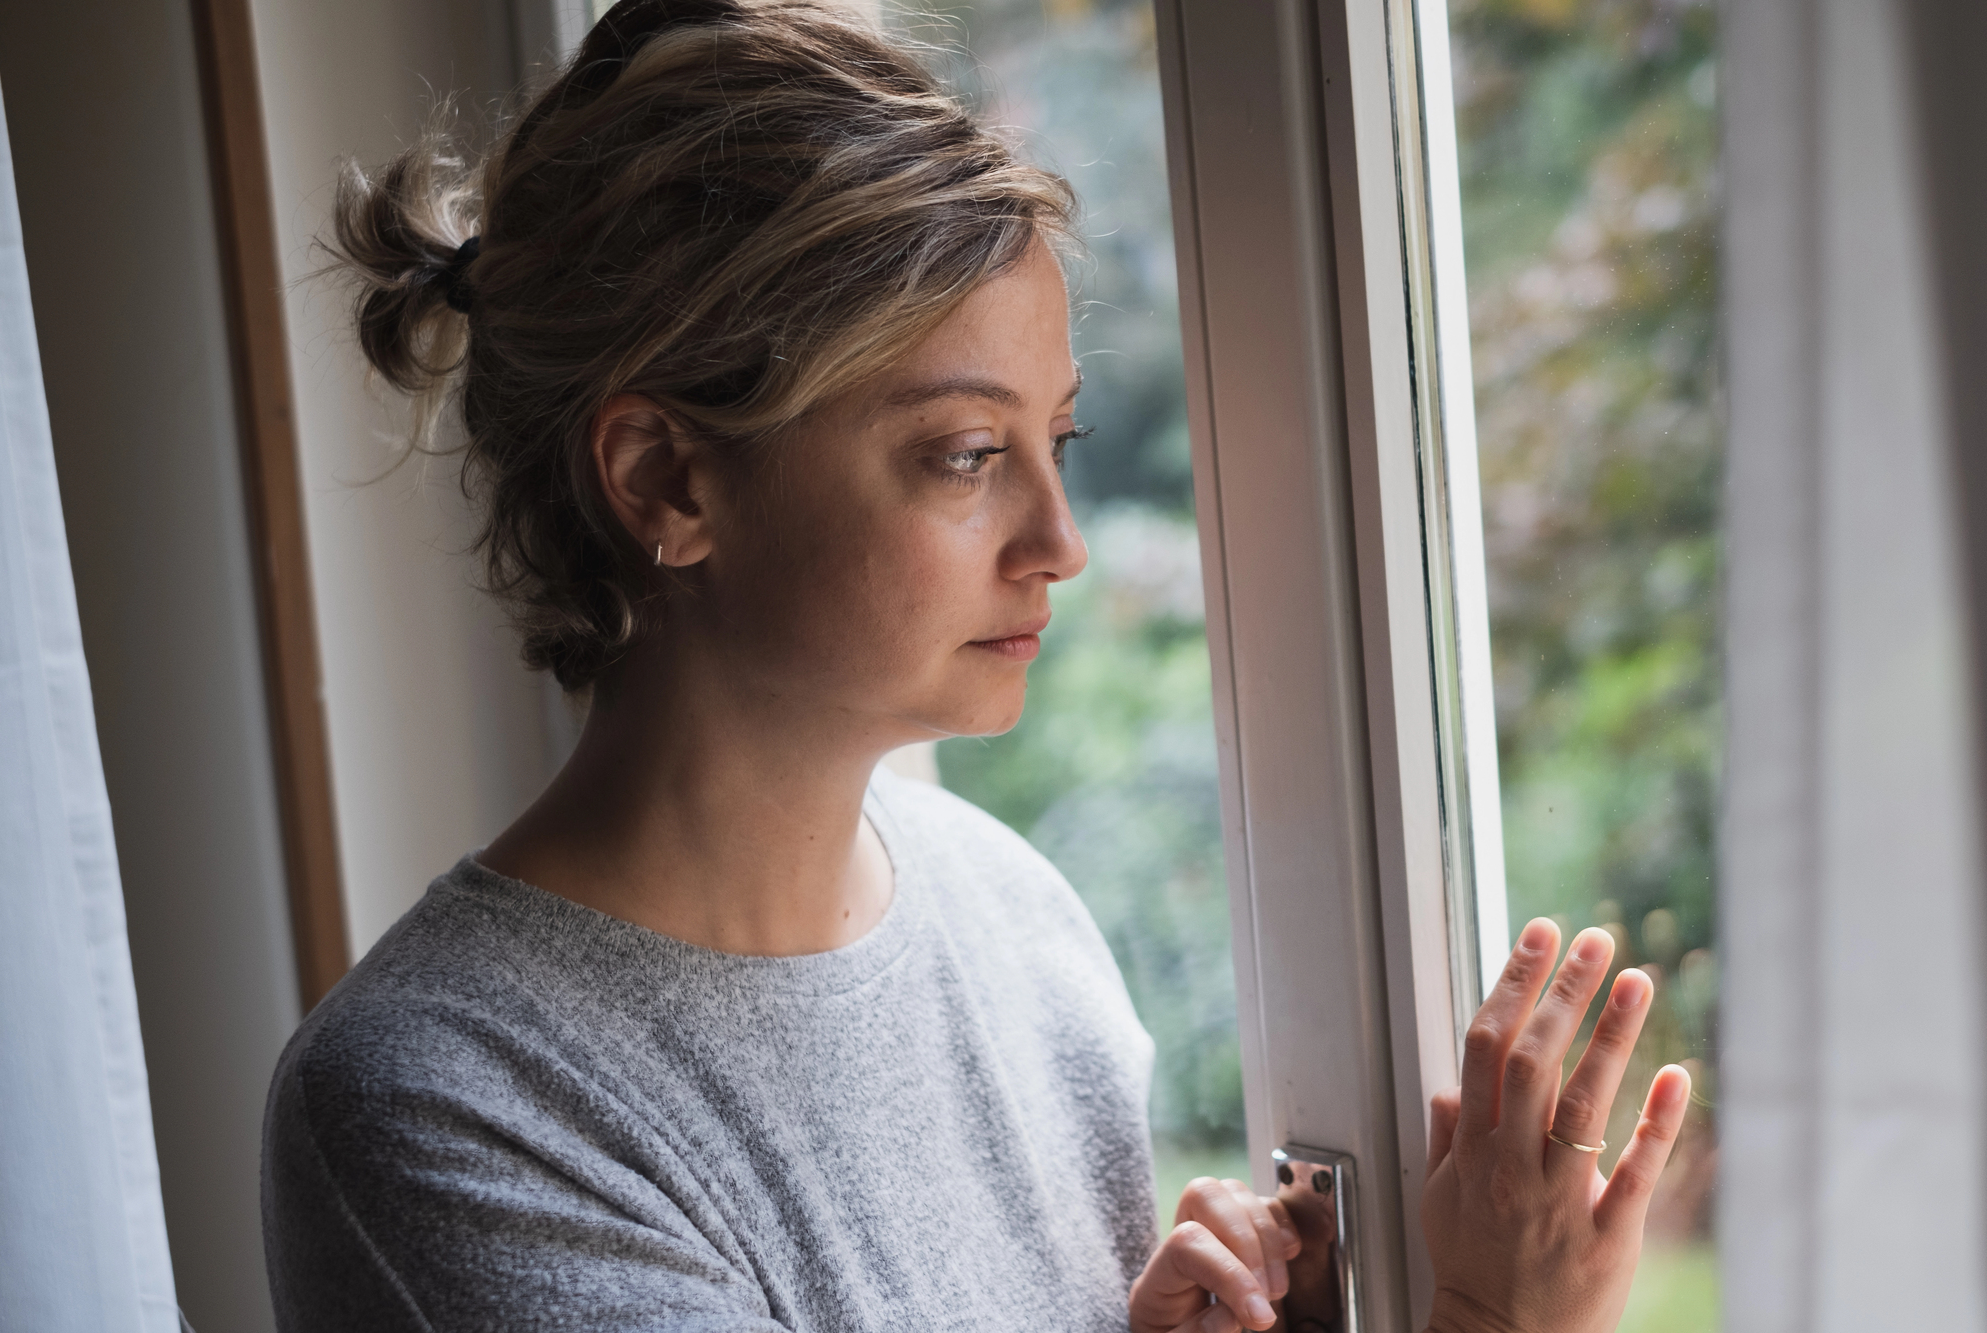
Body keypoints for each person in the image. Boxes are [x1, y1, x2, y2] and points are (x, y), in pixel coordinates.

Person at [262, 2, 1692, 1329]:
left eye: (1054, 442)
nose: (1059, 540)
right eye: (965, 454)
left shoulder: (1019, 925)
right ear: (665, 480)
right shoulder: (444, 1104)